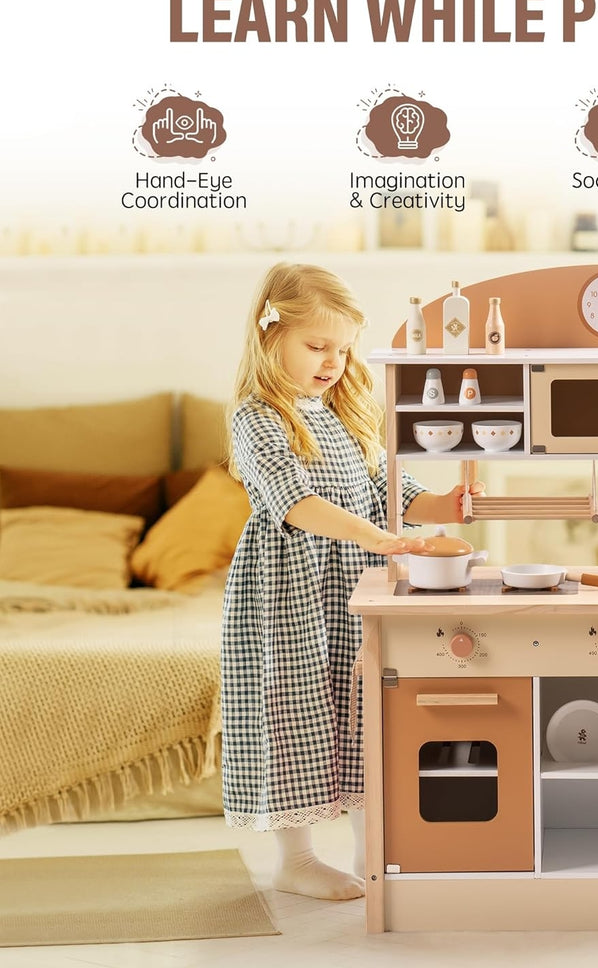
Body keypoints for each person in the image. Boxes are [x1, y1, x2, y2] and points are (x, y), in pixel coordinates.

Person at [221, 262, 482, 901]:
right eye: (316, 346)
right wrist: (376, 537)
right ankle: (296, 858)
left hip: (350, 587)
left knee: (366, 707)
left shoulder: (342, 413)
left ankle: (376, 849)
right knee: (293, 708)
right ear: (269, 337)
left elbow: (381, 492)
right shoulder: (259, 417)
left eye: (342, 348)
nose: (333, 361)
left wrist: (439, 505)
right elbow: (294, 499)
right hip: (289, 591)